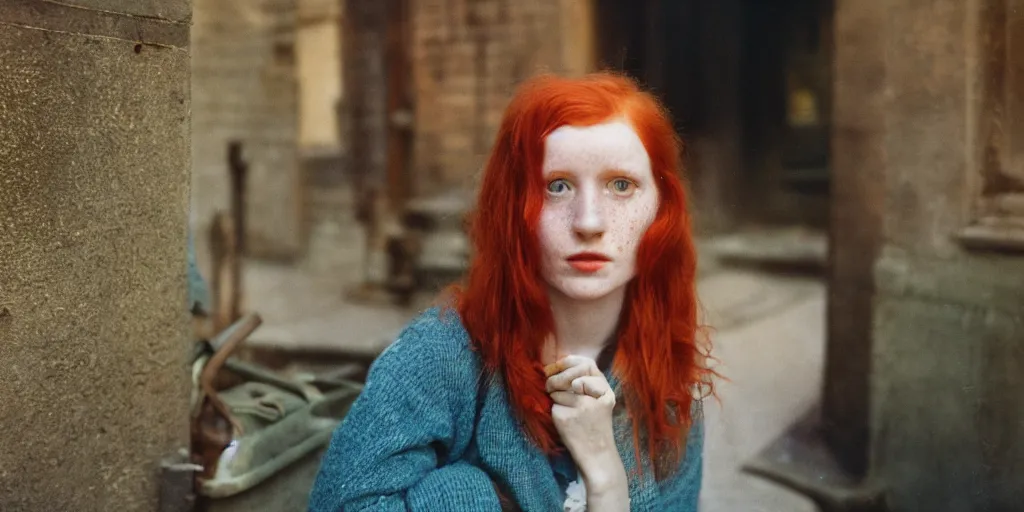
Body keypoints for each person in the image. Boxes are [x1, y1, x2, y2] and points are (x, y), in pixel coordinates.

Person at [308, 72, 714, 511]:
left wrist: (606, 476)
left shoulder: (668, 380)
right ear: (513, 207)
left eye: (621, 185)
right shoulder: (443, 355)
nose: (589, 222)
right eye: (556, 186)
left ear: (661, 209)